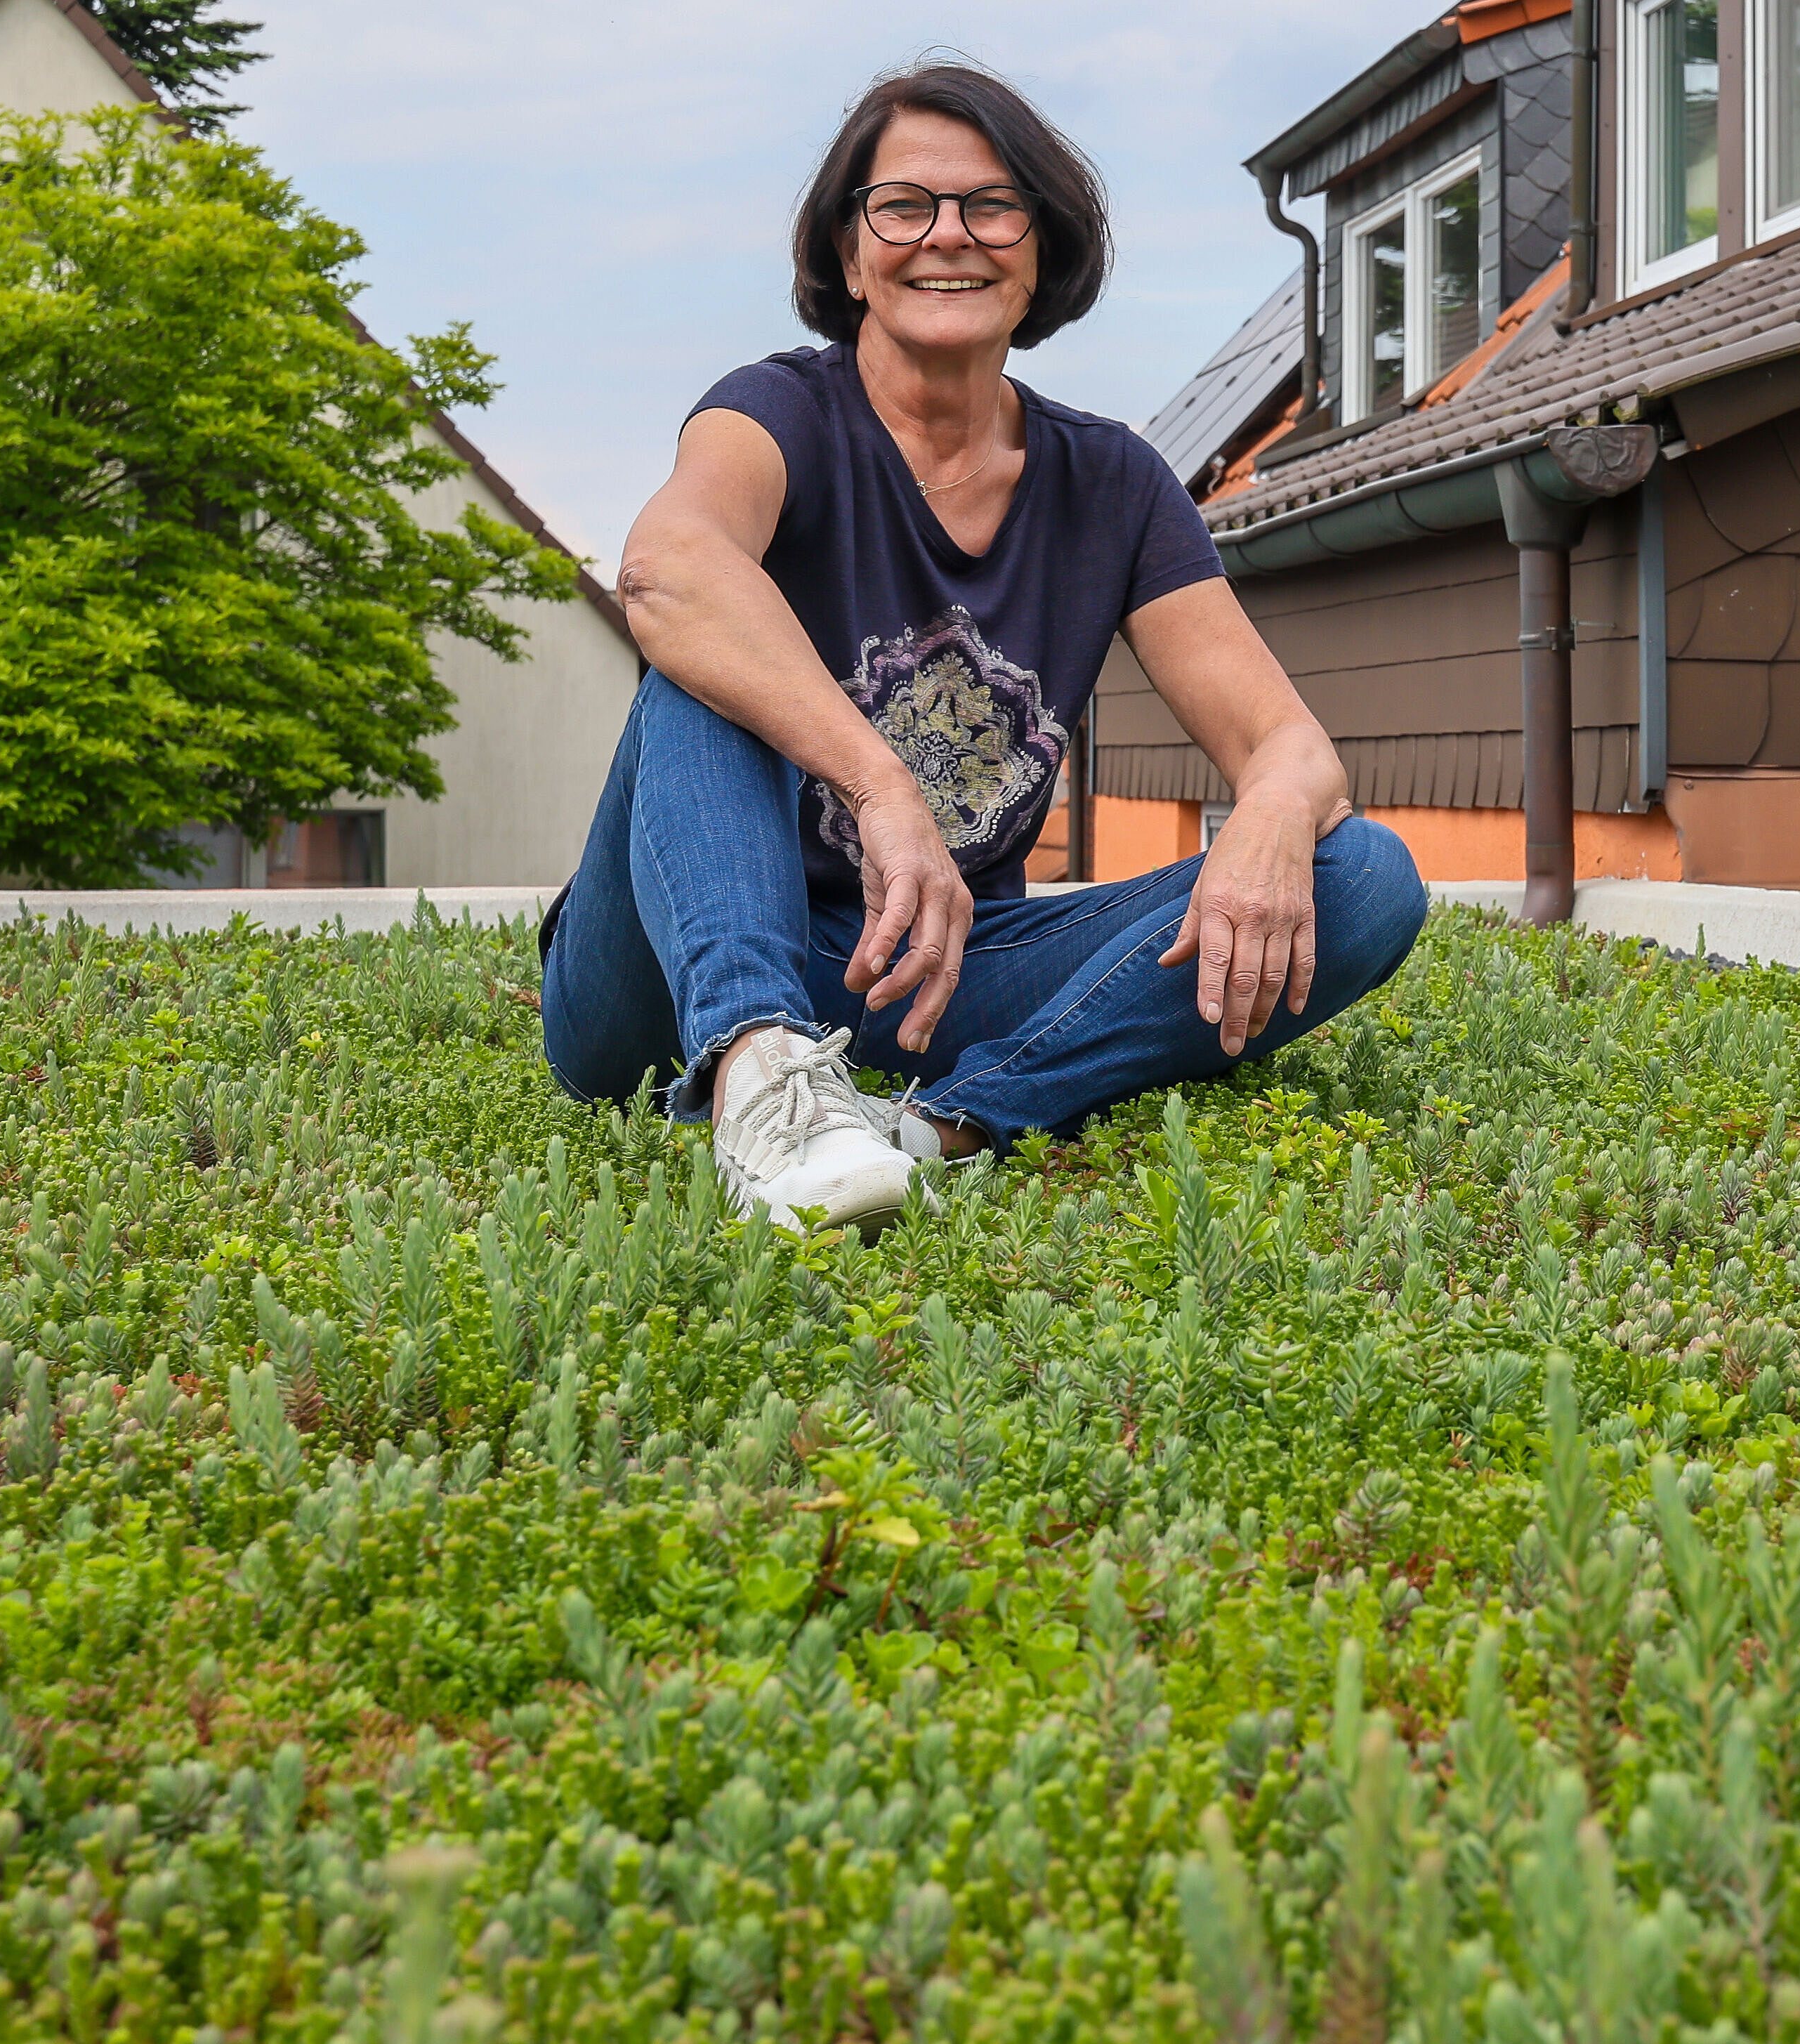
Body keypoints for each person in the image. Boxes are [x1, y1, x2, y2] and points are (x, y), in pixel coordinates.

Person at [540, 60, 1426, 1227]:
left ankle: (947, 1120)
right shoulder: (778, 414)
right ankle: (759, 1075)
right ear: (850, 257)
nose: (946, 236)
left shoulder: (1112, 484)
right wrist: (881, 785)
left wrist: (1268, 807)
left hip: (926, 968)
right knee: (704, 670)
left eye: (991, 206)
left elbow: (1290, 745)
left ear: (1039, 252)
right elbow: (669, 566)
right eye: (902, 206)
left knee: (1362, 876)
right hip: (666, 965)